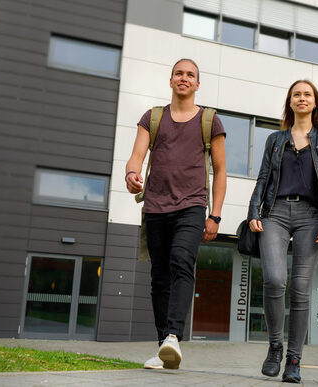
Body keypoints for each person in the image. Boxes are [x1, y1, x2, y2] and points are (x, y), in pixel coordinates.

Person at [125, 58, 227, 370]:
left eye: (190, 75)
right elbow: (137, 157)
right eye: (179, 73)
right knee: (159, 277)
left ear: (198, 84)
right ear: (171, 81)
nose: (184, 78)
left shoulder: (210, 120)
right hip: (155, 206)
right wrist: (131, 174)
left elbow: (221, 171)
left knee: (181, 261)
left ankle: (172, 336)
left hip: (192, 206)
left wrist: (216, 215)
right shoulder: (153, 117)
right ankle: (163, 349)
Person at [247, 79, 318, 383]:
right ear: (290, 102)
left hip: (311, 216)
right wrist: (252, 211)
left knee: (300, 289)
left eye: (307, 94)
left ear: (314, 102)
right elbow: (262, 178)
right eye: (296, 94)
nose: (301, 98)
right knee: (274, 280)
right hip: (275, 212)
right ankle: (274, 346)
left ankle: (294, 360)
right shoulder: (275, 139)